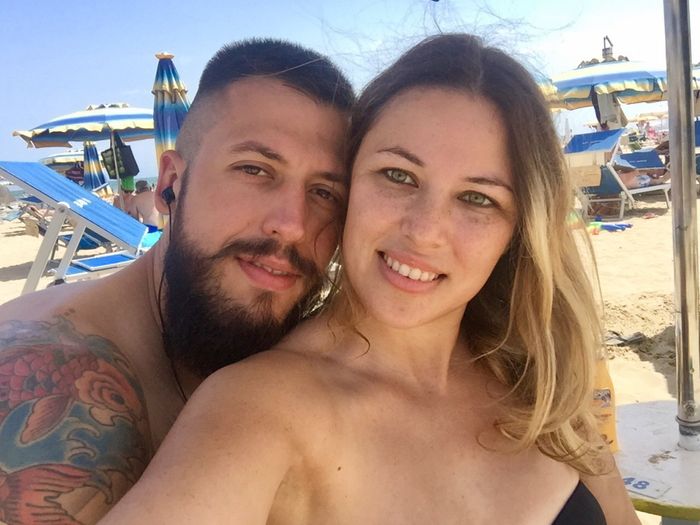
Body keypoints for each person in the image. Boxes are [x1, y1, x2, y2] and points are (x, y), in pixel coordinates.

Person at [99, 34, 640, 524]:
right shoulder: (258, 411)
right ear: (349, 187)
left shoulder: (539, 376)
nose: (424, 231)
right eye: (398, 176)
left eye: (478, 198)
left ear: (518, 229)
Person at [0, 39, 354, 524]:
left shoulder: (302, 349)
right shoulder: (39, 377)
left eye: (325, 192)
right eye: (254, 169)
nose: (292, 225)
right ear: (170, 183)